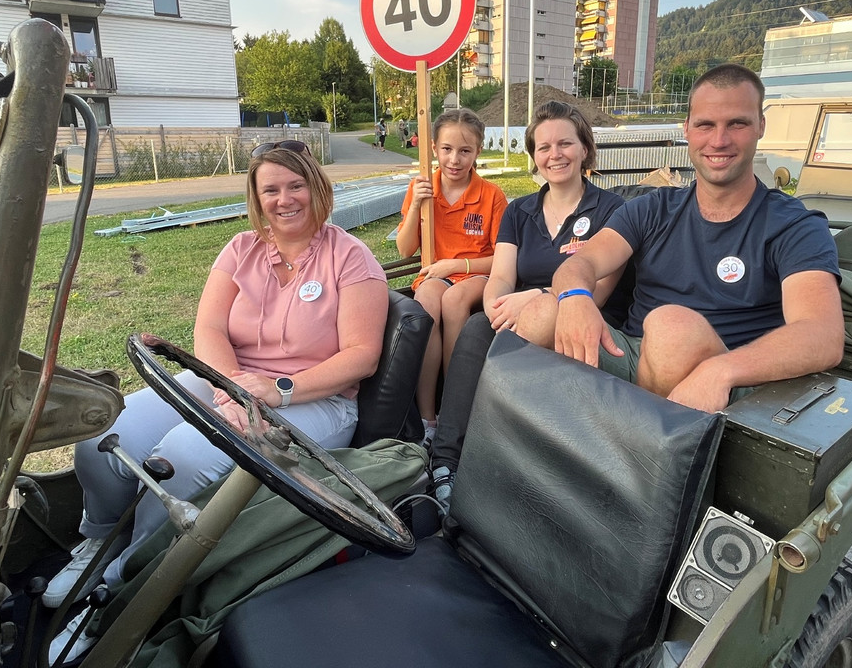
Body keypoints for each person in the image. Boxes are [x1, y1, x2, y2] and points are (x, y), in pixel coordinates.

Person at [45, 140, 389, 662]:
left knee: (180, 459)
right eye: (270, 189)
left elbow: (362, 355)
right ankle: (97, 540)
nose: (284, 199)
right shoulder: (240, 249)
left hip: (311, 398)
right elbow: (207, 327)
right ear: (255, 196)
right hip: (228, 380)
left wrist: (278, 390)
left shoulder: (351, 258)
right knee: (104, 432)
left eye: (296, 185)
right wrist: (229, 387)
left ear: (317, 188)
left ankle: (122, 585)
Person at [546, 63, 845, 414]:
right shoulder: (652, 208)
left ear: (760, 126)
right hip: (633, 356)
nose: (719, 140)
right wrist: (577, 297)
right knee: (537, 310)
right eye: (706, 125)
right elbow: (582, 262)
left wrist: (721, 370)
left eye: (737, 123)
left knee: (671, 329)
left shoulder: (794, 224)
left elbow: (822, 334)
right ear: (687, 128)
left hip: (726, 380)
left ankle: (627, 454)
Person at [429, 101, 631, 509]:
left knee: (519, 341)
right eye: (543, 147)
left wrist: (538, 298)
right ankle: (445, 460)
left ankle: (506, 468)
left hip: (579, 315)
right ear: (533, 156)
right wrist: (497, 306)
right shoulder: (521, 211)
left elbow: (600, 290)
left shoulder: (612, 209)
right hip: (518, 310)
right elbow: (502, 275)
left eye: (564, 144)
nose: (554, 155)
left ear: (585, 149)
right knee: (475, 329)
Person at [395, 108, 507, 443]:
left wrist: (455, 266)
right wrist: (416, 205)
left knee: (454, 299)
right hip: (436, 275)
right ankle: (428, 417)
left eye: (464, 151)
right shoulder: (423, 188)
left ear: (478, 151)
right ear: (434, 148)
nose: (454, 160)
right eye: (446, 149)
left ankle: (452, 409)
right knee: (427, 300)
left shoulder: (491, 196)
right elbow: (404, 250)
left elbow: (502, 259)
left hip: (475, 275)